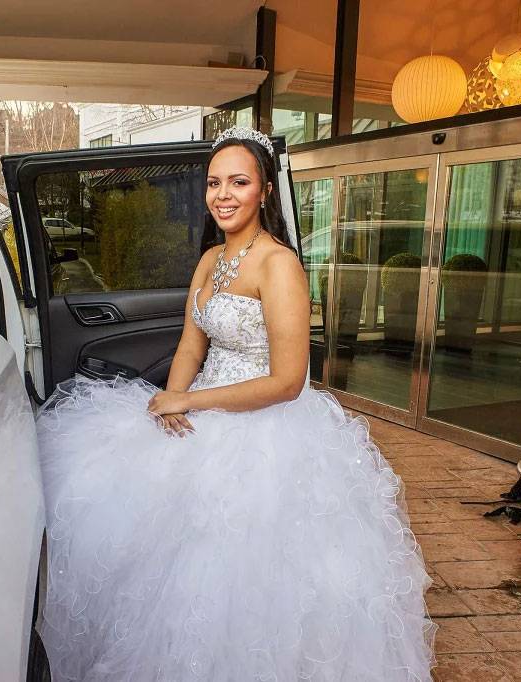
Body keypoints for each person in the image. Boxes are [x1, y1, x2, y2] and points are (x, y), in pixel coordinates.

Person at [36, 127, 436, 681]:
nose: (223, 194)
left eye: (239, 182)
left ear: (265, 192)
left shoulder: (279, 265)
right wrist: (174, 401)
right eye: (214, 182)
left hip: (265, 425)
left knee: (240, 577)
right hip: (199, 408)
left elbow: (288, 380)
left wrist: (190, 400)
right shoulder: (208, 261)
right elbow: (190, 344)